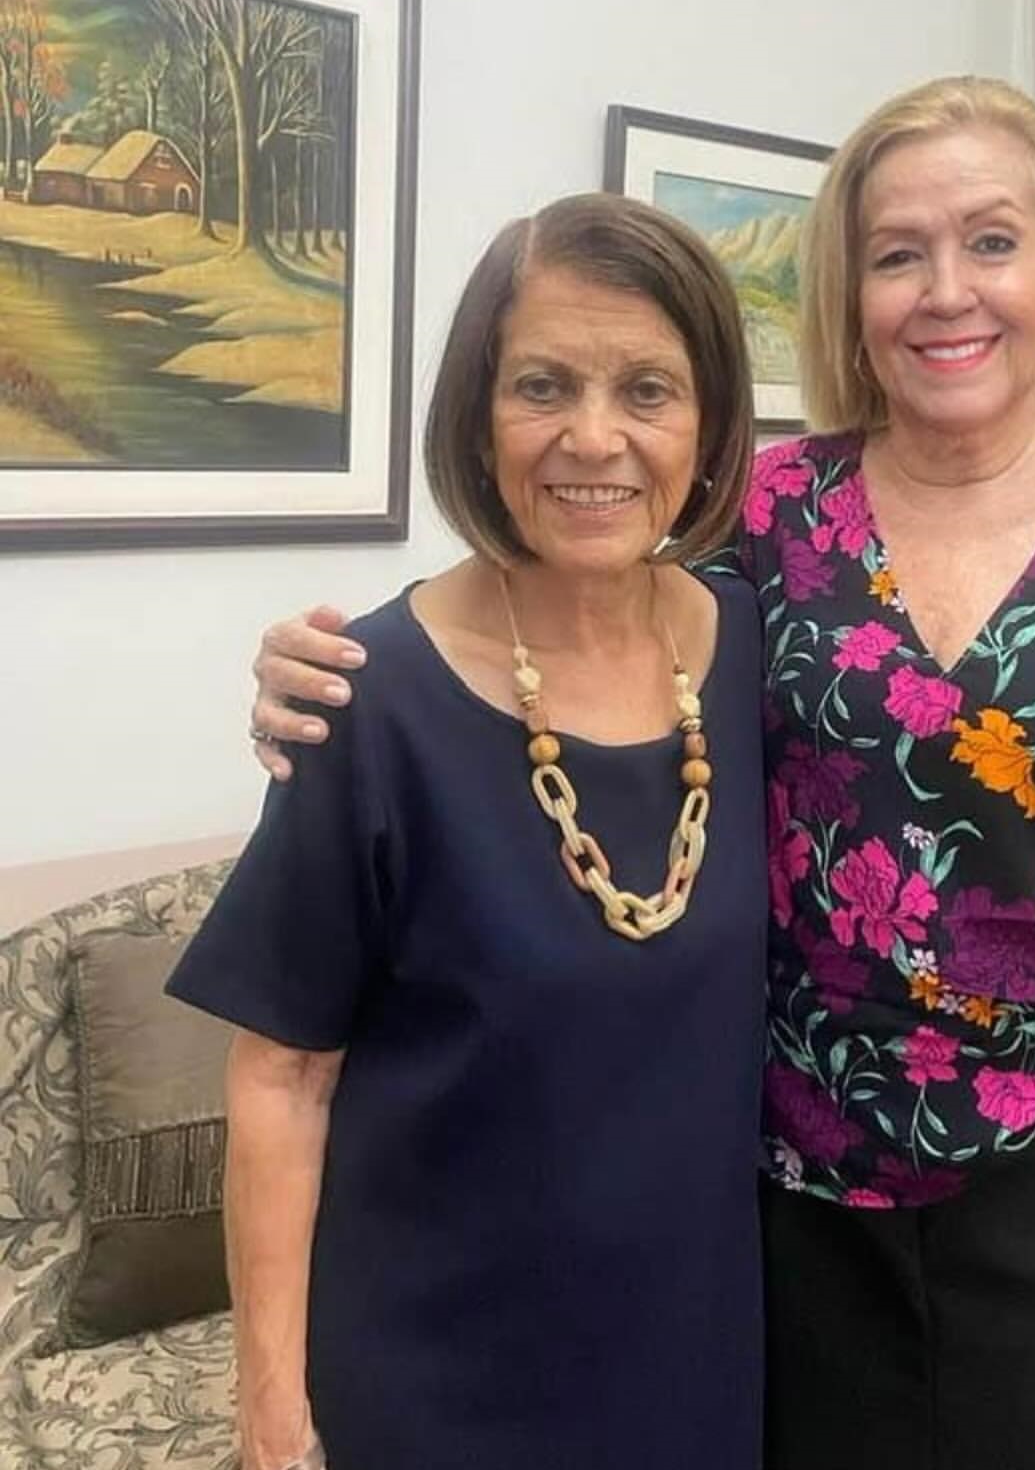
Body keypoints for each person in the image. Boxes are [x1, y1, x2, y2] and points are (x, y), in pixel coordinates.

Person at [248, 77, 1035, 1470]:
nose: (946, 292)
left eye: (991, 242)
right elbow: (577, 608)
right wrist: (328, 672)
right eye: (898, 255)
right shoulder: (772, 516)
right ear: (851, 293)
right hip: (797, 1206)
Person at [171, 194, 768, 1470]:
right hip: (436, 1382)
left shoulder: (761, 652)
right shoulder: (368, 699)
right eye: (541, 385)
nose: (593, 438)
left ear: (712, 421)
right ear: (477, 415)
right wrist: (271, 1414)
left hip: (698, 1360)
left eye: (648, 390)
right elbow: (281, 1079)